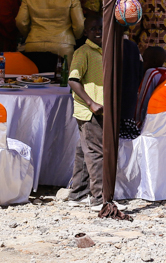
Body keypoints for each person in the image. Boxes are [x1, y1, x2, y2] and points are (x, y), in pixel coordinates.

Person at [67, 15, 104, 206]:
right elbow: (73, 80)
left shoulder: (103, 51)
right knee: (96, 153)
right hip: (91, 111)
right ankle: (100, 198)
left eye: (101, 28)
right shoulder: (84, 52)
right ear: (86, 32)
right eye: (94, 28)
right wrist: (91, 103)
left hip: (99, 109)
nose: (98, 32)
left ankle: (78, 194)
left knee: (84, 151)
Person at [16, 0, 84, 73]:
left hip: (34, 43)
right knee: (62, 81)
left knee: (33, 81)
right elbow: (79, 24)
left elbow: (20, 21)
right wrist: (75, 37)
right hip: (63, 45)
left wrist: (30, 35)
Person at [135, 46, 166, 128]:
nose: (143, 63)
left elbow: (143, 98)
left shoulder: (151, 73)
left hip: (146, 121)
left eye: (145, 60)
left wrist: (137, 121)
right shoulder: (164, 74)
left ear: (152, 62)